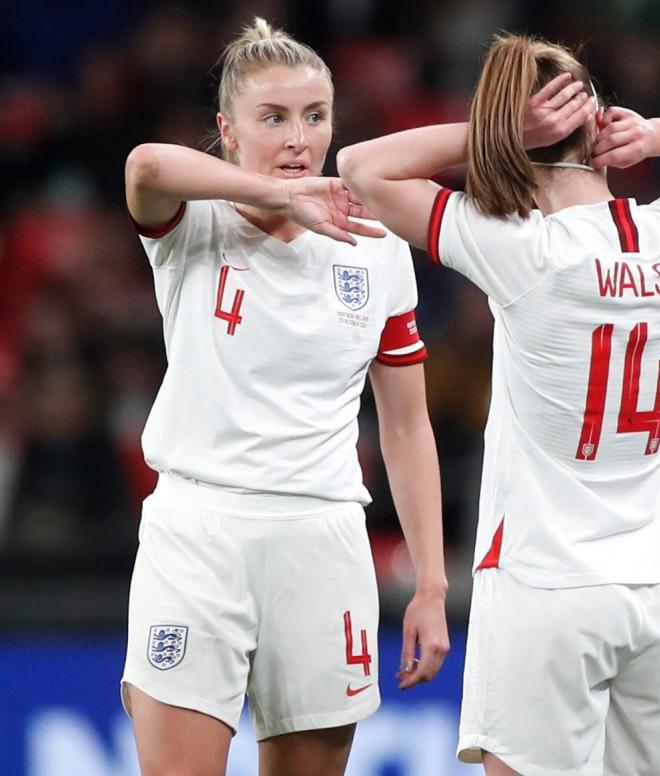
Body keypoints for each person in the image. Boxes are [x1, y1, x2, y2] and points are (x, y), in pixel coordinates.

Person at [338, 34, 660, 776]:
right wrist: (651, 136)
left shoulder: (522, 250)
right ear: (596, 121)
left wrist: (495, 137)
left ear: (511, 133)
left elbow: (359, 168)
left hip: (546, 584)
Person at [120, 18, 449, 776]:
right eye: (272, 118)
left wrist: (430, 582)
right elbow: (145, 164)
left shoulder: (378, 249)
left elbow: (405, 428)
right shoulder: (191, 224)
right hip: (198, 532)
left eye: (315, 116)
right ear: (227, 131)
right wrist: (281, 198)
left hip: (323, 538)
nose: (299, 137)